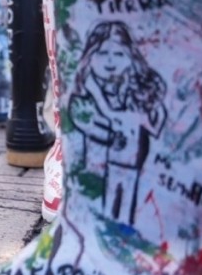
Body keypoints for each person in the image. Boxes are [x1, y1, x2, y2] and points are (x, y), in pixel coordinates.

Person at [68, 21, 166, 227]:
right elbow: (83, 120)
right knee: (104, 204)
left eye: (119, 54)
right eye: (102, 53)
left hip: (132, 163)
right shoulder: (85, 92)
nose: (110, 61)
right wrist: (112, 134)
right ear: (91, 55)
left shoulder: (135, 89)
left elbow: (156, 122)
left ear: (131, 57)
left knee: (126, 205)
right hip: (96, 165)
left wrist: (149, 107)